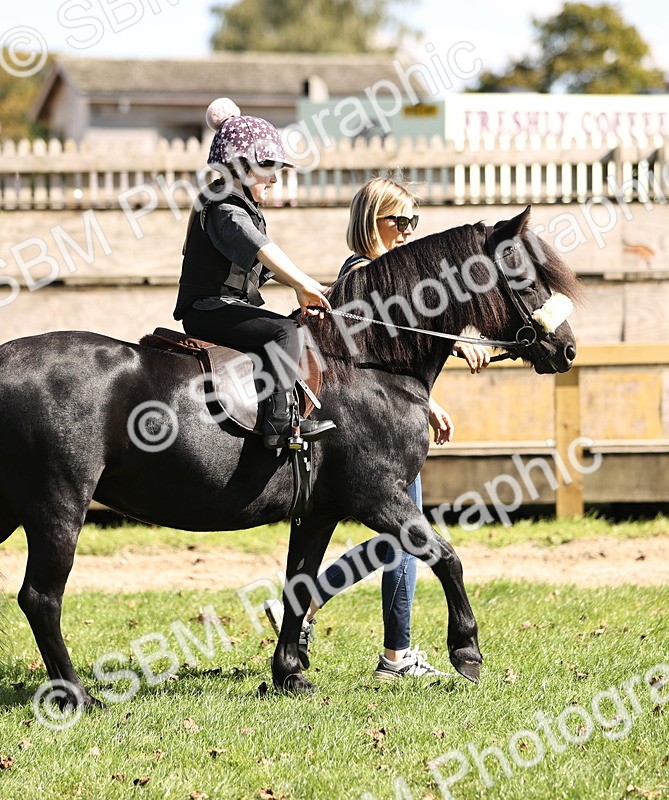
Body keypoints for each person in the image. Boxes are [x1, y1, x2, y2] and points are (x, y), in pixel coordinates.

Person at [265, 178, 492, 681]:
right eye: (401, 221)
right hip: (373, 433)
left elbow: (394, 353)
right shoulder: (364, 274)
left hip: (387, 425)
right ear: (373, 222)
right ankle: (392, 653)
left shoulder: (377, 274)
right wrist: (438, 382)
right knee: (405, 533)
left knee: (403, 535)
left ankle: (355, 628)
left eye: (415, 222)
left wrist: (433, 390)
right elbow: (370, 352)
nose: (410, 233)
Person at [175, 98, 337, 449]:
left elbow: (262, 263)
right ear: (241, 166)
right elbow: (263, 249)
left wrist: (306, 289)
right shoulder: (226, 210)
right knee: (286, 332)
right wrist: (303, 283)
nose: (275, 178)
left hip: (219, 306)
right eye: (268, 167)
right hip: (208, 310)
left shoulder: (237, 205)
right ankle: (281, 426)